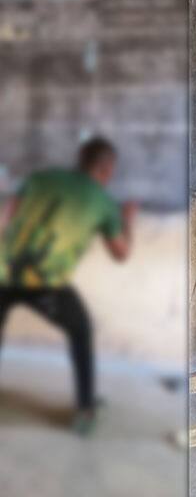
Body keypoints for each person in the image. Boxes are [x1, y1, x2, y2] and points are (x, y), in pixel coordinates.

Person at [0, 137, 136, 435]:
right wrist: (128, 221)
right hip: (45, 282)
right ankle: (86, 410)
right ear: (107, 168)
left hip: (4, 269)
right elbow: (120, 254)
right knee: (81, 330)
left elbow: (8, 218)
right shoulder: (102, 202)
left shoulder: (39, 178)